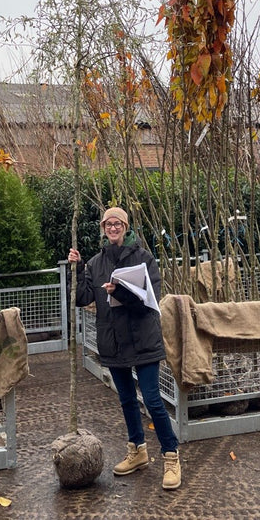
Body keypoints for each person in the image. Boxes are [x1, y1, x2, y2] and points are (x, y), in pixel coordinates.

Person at [67, 206, 181, 490]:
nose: (113, 228)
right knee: (127, 400)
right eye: (108, 224)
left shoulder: (144, 259)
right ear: (103, 228)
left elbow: (149, 300)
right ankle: (138, 450)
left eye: (118, 223)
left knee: (153, 400)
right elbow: (82, 298)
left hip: (143, 339)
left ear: (126, 226)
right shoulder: (95, 263)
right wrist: (78, 269)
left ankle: (171, 457)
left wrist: (119, 292)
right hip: (114, 342)